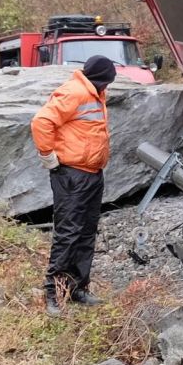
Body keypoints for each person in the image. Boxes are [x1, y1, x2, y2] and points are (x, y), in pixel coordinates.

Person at [31, 54, 115, 313]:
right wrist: (50, 159)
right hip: (71, 175)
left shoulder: (95, 94)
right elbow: (41, 122)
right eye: (108, 82)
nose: (108, 87)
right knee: (68, 233)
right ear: (100, 79)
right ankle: (52, 294)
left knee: (86, 232)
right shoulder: (74, 92)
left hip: (92, 173)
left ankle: (77, 288)